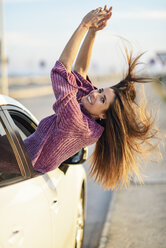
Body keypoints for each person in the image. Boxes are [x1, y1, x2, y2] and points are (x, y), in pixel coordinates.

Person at [24, 5, 159, 190]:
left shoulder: (77, 123)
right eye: (101, 91)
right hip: (24, 164)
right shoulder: (89, 118)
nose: (94, 94)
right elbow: (79, 71)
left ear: (104, 115)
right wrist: (93, 32)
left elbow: (62, 70)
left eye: (102, 100)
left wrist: (84, 25)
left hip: (19, 166)